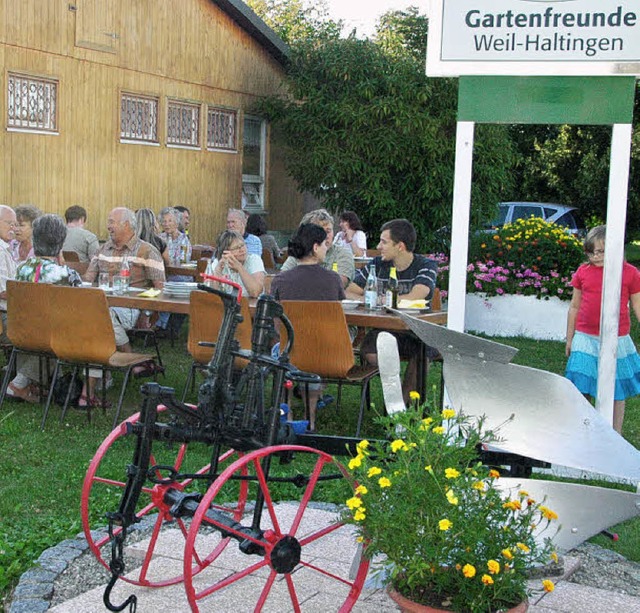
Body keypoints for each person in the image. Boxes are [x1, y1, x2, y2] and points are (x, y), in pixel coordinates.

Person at [347, 218, 438, 402]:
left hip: (418, 332)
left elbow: (419, 293)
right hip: (386, 329)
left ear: (400, 246)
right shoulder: (377, 264)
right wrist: (370, 300)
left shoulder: (425, 265)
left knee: (421, 354)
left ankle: (400, 413)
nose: (379, 246)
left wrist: (387, 302)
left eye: (384, 242)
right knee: (370, 350)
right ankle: (394, 393)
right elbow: (349, 291)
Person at [565, 225, 640, 434]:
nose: (595, 256)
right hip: (584, 337)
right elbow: (574, 307)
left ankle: (615, 434)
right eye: (591, 251)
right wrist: (570, 338)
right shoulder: (583, 272)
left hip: (617, 338)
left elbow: (637, 305)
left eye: (601, 251)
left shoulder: (630, 273)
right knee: (580, 385)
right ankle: (583, 430)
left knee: (616, 389)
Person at [271, 223, 344, 432]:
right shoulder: (332, 279)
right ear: (315, 247)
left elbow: (277, 321)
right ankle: (310, 419)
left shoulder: (281, 280)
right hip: (327, 353)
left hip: (290, 351)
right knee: (311, 354)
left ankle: (288, 414)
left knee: (280, 353)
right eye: (323, 245)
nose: (325, 249)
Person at [6, 214, 82, 403]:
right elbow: (81, 308)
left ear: (34, 239)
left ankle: (34, 383)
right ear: (61, 242)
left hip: (21, 330)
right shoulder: (67, 274)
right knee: (68, 329)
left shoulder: (22, 269)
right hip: (51, 335)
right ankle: (18, 383)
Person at [84, 207, 165, 356]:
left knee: (100, 315)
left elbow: (160, 288)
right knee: (88, 313)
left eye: (111, 222)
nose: (108, 226)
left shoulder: (147, 251)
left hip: (130, 307)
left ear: (126, 225)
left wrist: (147, 312)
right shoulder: (103, 249)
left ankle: (128, 356)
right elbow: (87, 280)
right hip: (101, 303)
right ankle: (100, 372)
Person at [280, 208, 355, 288]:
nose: (325, 236)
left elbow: (338, 284)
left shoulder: (343, 253)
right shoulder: (300, 253)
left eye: (328, 231)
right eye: (319, 233)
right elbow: (282, 279)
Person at [209, 230, 265, 298]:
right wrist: (218, 270)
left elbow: (255, 292)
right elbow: (211, 295)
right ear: (226, 252)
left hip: (250, 306)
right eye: (236, 248)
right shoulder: (218, 263)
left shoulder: (254, 260)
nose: (242, 250)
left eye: (243, 245)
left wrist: (239, 267)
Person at [0, 205, 17, 343]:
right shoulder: (0, 251)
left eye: (15, 224)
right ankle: (18, 366)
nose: (14, 228)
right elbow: (4, 292)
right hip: (4, 316)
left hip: (7, 313)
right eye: (9, 223)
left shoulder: (6, 248)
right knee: (41, 331)